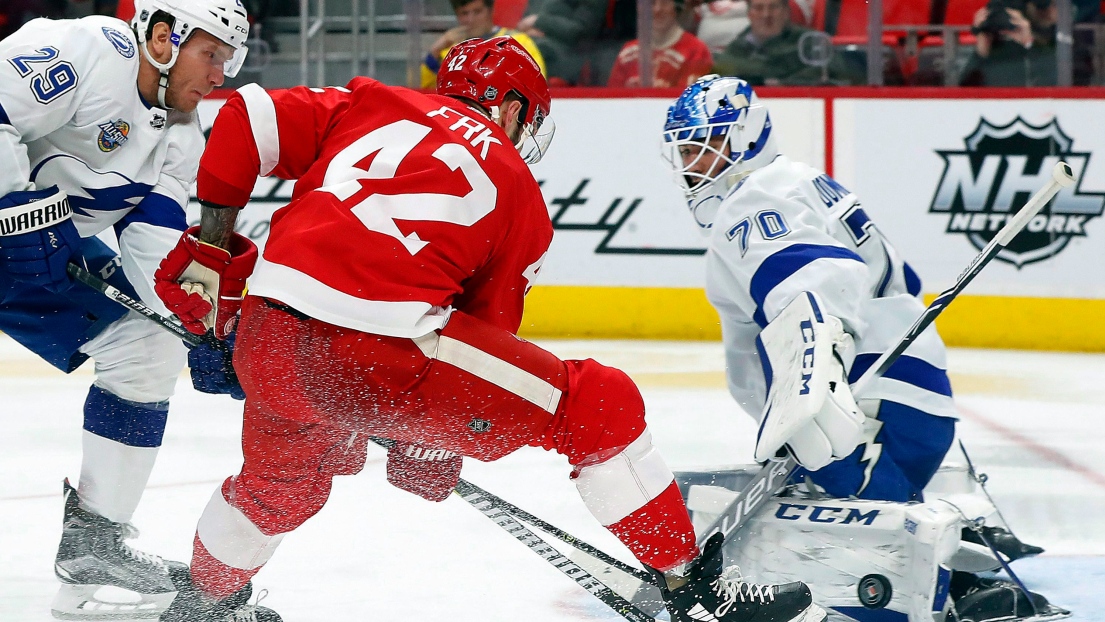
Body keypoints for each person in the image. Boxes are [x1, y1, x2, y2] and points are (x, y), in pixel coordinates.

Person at [151, 37, 831, 622]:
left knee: (280, 488)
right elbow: (479, 338)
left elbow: (246, 115)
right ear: (507, 108)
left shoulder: (371, 100)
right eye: (525, 117)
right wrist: (432, 449)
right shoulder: (517, 190)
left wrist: (213, 256)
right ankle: (694, 587)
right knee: (598, 402)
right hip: (380, 351)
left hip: (266, 329)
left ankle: (205, 602)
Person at [660, 75, 1058, 618]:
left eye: (703, 147)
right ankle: (969, 574)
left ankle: (939, 584)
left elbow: (817, 277)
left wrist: (816, 376)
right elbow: (895, 275)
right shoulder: (795, 181)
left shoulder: (751, 199)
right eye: (683, 150)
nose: (692, 164)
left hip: (870, 386)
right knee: (861, 498)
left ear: (747, 137)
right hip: (913, 382)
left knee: (842, 489)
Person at [0, 0, 249, 618]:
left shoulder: (182, 135)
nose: (220, 76)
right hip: (17, 238)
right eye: (210, 54)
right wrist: (12, 207)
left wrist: (201, 330)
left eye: (228, 61)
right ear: (162, 37)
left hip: (34, 255)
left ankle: (93, 543)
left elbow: (153, 244)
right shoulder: (87, 51)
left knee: (147, 345)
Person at [711, 0, 859, 85]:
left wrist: (774, 82)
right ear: (749, 14)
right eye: (759, 8)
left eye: (773, 7)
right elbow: (725, 74)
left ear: (786, 11)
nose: (766, 14)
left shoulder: (809, 41)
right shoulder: (738, 47)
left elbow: (833, 70)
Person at [958, 0, 1091, 86]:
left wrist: (1029, 44)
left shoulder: (1069, 43)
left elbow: (1060, 86)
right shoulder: (997, 51)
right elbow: (962, 95)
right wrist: (981, 52)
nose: (1050, 10)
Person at [420, 0, 545, 89]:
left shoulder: (518, 41)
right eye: (464, 13)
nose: (471, 19)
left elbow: (538, 83)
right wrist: (435, 51)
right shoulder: (450, 50)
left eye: (477, 11)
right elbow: (425, 89)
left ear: (491, 11)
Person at [607, 0, 713, 88]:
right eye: (651, 3)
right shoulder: (628, 52)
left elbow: (692, 102)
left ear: (676, 8)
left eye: (665, 3)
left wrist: (663, 93)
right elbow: (611, 101)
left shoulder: (696, 50)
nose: (658, 9)